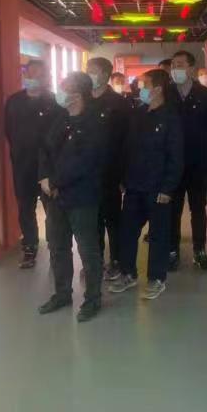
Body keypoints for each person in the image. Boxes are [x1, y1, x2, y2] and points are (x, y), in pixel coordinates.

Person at [37, 72, 106, 322]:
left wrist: (55, 182)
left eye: (64, 88)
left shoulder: (95, 123)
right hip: (55, 197)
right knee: (57, 246)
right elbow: (45, 149)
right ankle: (62, 293)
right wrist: (44, 177)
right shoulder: (60, 117)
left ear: (77, 94)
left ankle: (93, 299)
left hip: (82, 197)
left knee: (88, 249)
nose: (60, 92)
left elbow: (85, 162)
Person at [109, 69, 183, 300]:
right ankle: (128, 273)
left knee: (159, 235)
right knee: (127, 231)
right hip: (134, 185)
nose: (140, 89)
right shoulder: (138, 114)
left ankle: (156, 278)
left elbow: (176, 156)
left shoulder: (171, 118)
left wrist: (168, 187)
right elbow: (126, 149)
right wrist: (123, 179)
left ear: (158, 89)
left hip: (158, 188)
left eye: (145, 84)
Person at [4, 60, 61, 269]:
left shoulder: (54, 102)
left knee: (52, 209)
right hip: (22, 164)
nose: (32, 77)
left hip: (48, 166)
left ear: (46, 77)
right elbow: (8, 131)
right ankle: (29, 247)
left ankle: (56, 247)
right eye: (29, 73)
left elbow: (60, 134)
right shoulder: (14, 101)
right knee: (25, 207)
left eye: (38, 74)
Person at [169, 50, 207, 271]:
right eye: (173, 65)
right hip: (172, 164)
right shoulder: (167, 94)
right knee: (173, 209)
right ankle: (172, 251)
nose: (175, 69)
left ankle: (199, 250)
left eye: (180, 64)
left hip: (198, 163)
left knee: (198, 209)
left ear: (191, 68)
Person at [86, 57, 130, 281]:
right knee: (91, 220)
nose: (89, 75)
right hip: (87, 172)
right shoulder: (83, 99)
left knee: (112, 219)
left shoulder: (119, 103)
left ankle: (116, 260)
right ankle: (95, 261)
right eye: (87, 70)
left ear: (105, 74)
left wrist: (124, 175)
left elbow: (127, 141)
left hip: (111, 172)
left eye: (93, 71)